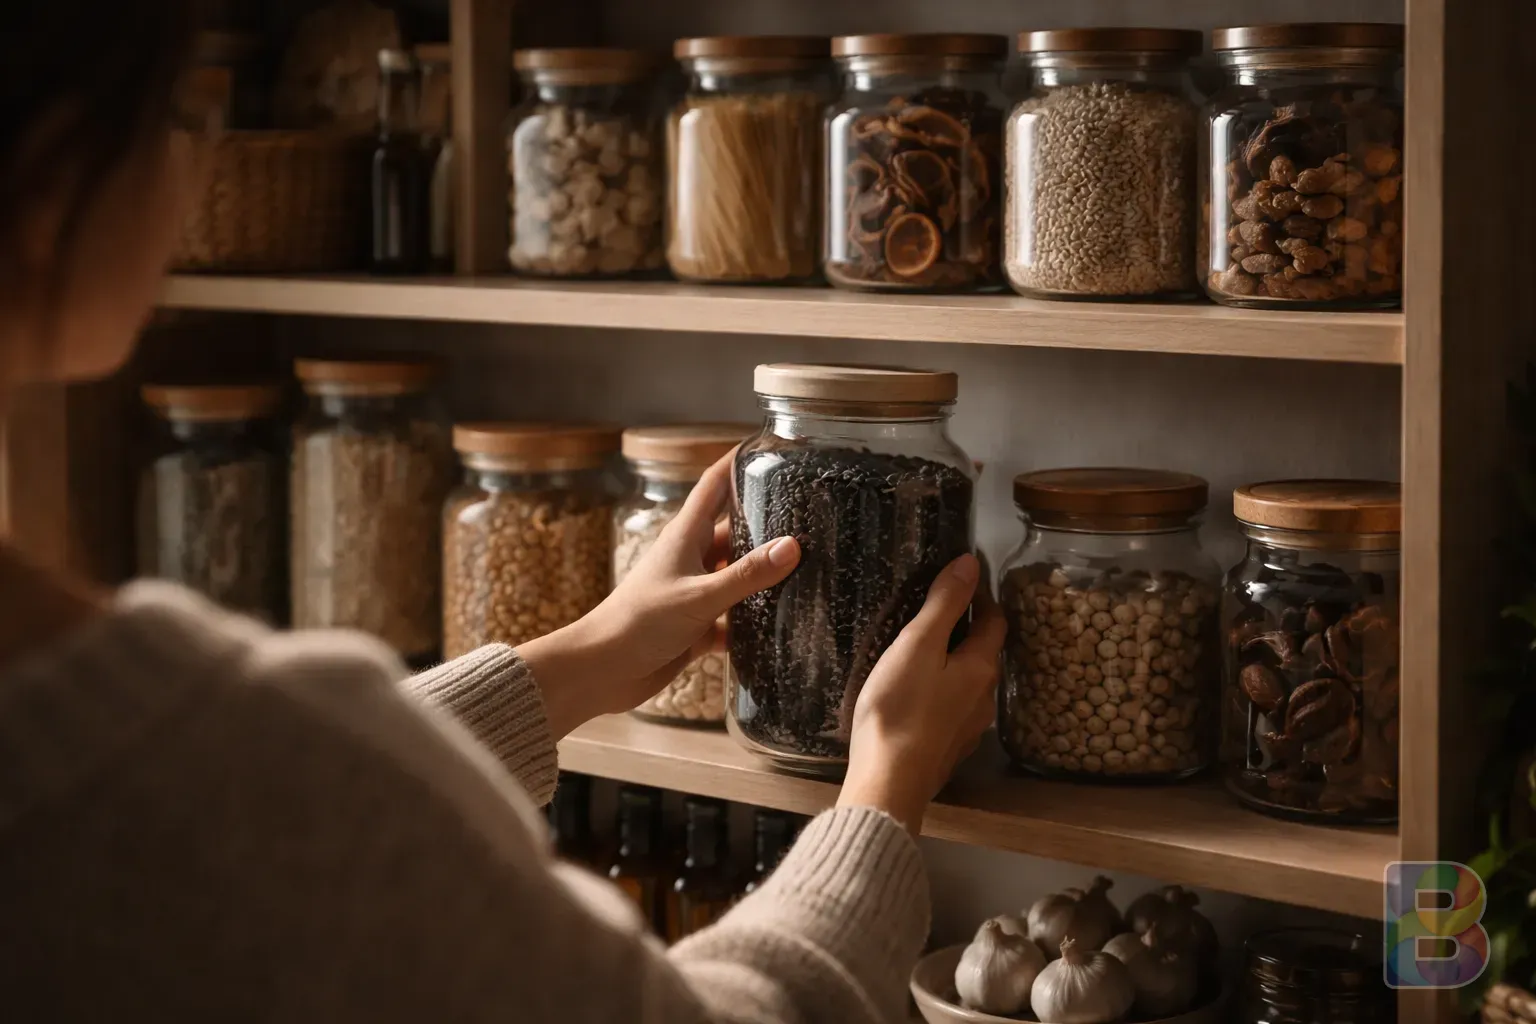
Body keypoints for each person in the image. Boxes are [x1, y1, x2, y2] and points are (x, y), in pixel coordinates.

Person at [0, 4, 1006, 1022]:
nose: (200, 165)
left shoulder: (217, 773)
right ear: (50, 185)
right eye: (182, 112)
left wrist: (593, 651)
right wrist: (884, 778)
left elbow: (262, 805)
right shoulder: (245, 767)